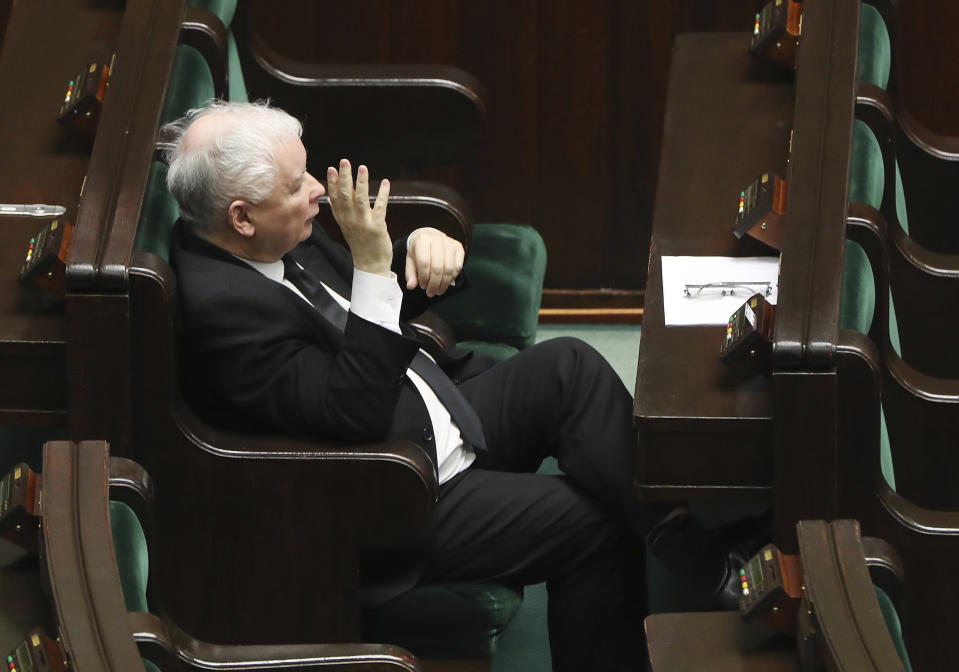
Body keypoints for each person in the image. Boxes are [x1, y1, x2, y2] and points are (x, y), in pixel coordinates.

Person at [164, 100, 735, 671]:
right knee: (592, 526)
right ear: (241, 216)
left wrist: (413, 256)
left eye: (308, 171)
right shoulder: (225, 313)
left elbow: (354, 313)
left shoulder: (265, 230)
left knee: (570, 367)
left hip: (426, 411)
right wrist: (369, 264)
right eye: (297, 185)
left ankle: (686, 543)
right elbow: (351, 412)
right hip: (392, 495)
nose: (317, 189)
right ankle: (694, 571)